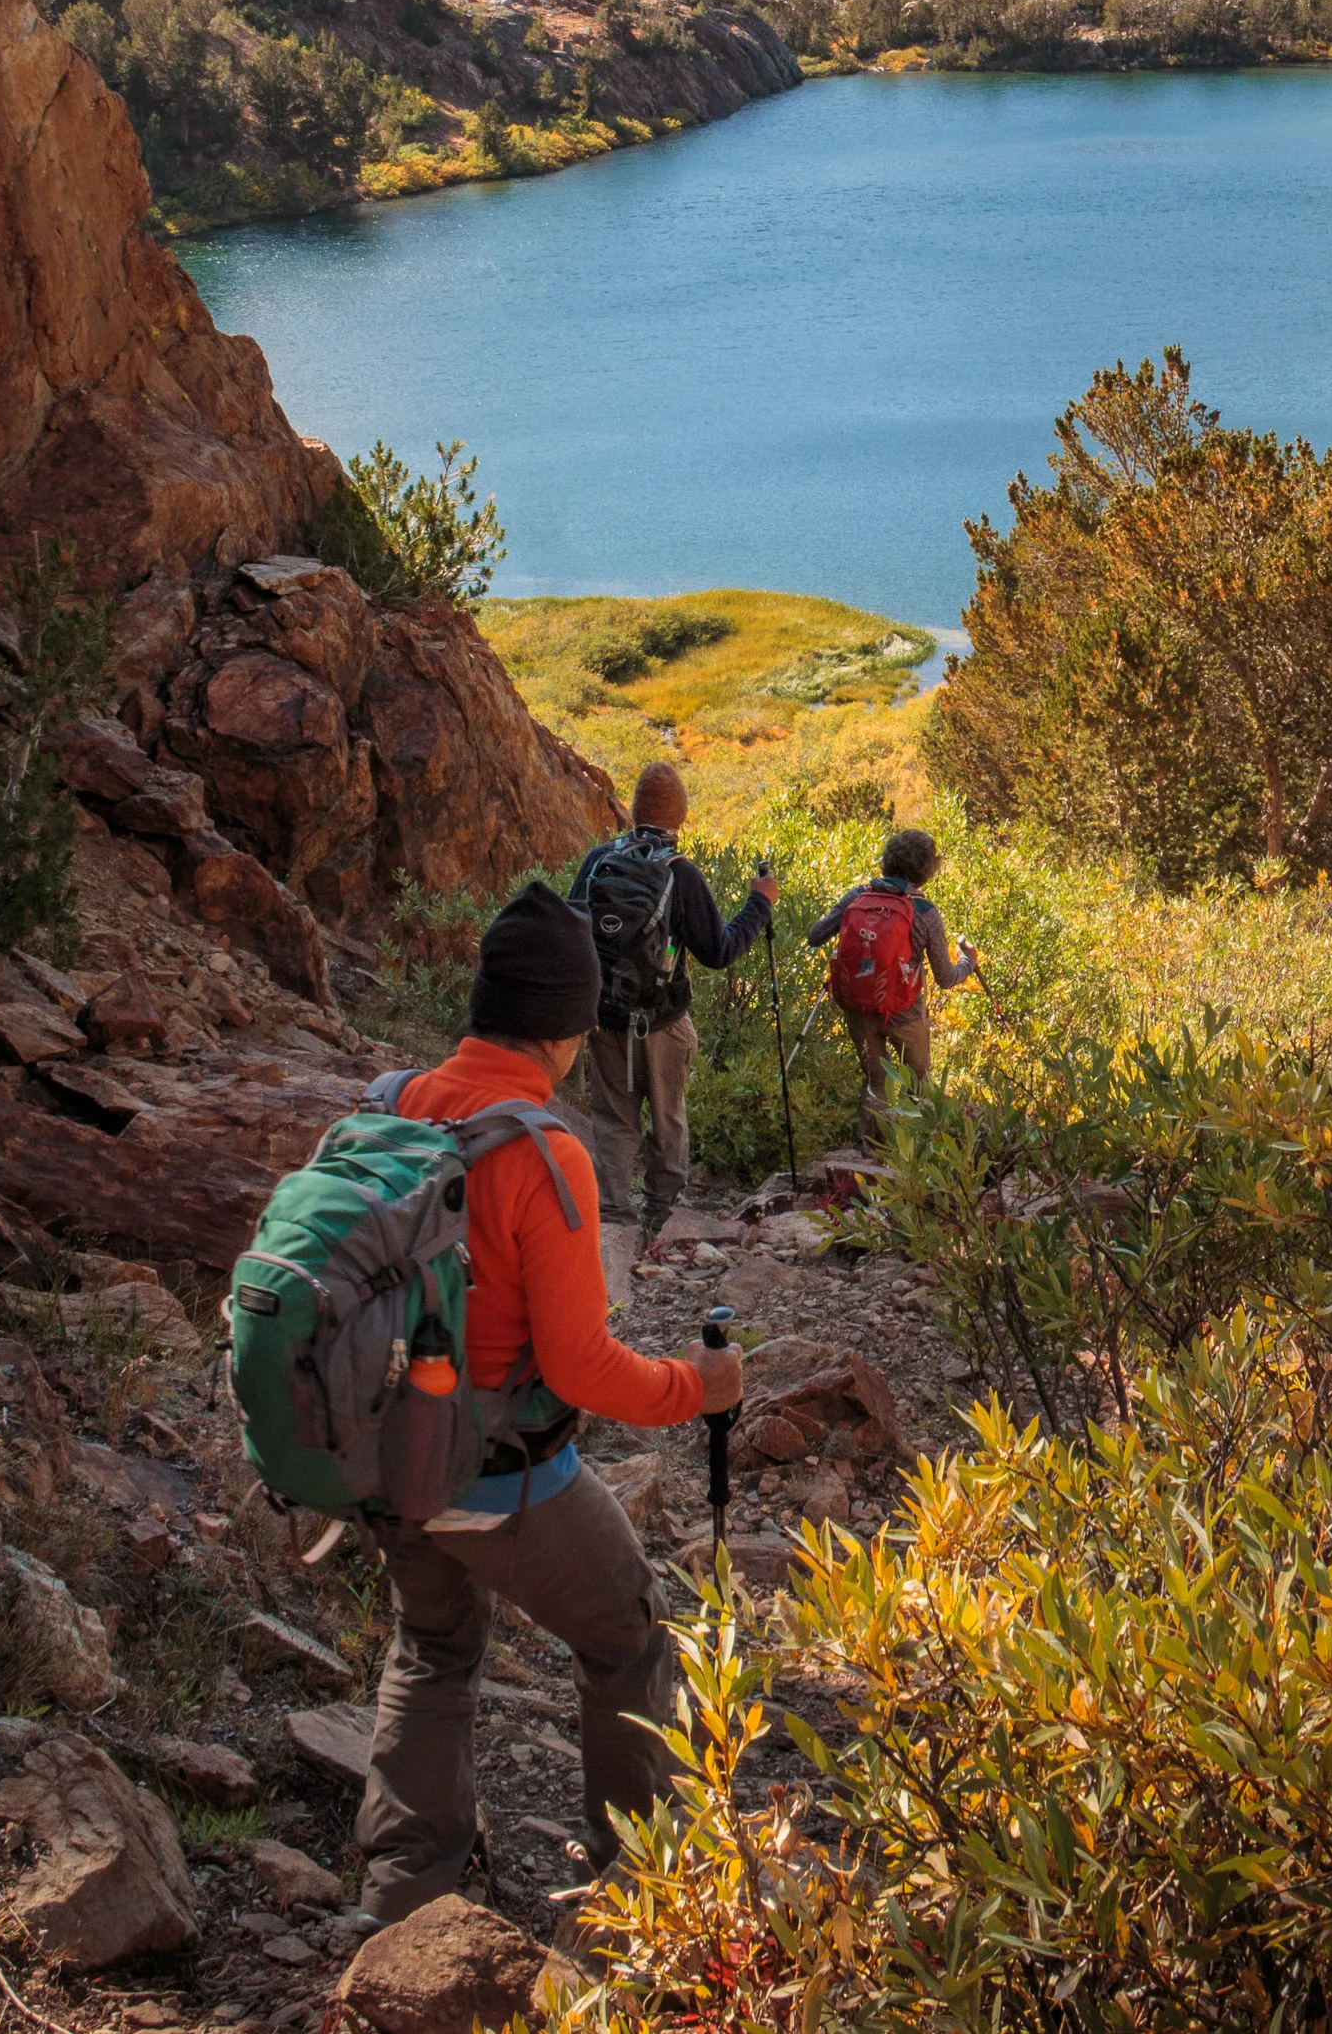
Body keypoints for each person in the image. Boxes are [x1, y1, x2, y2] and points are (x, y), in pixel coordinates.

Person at [353, 878, 744, 1925]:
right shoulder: (540, 1148)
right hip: (496, 1471)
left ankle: (404, 1896)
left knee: (432, 1648)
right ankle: (640, 1891)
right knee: (626, 1633)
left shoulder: (389, 1102)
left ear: (483, 1000)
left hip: (383, 1458)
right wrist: (695, 1388)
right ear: (572, 1021)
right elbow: (581, 1371)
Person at [570, 763, 777, 1262]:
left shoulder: (599, 862)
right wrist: (759, 903)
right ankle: (663, 1222)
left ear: (635, 811)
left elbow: (572, 930)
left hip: (605, 1019)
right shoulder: (679, 872)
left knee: (612, 1120)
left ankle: (613, 1225)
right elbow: (719, 951)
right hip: (662, 1023)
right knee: (668, 1122)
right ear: (680, 815)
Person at [807, 825, 978, 1145]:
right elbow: (945, 977)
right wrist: (968, 961)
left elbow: (816, 934)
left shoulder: (858, 896)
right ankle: (919, 1157)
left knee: (876, 1081)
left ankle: (868, 1157)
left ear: (888, 860)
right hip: (904, 1012)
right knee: (918, 1084)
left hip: (858, 1008)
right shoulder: (924, 912)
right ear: (926, 869)